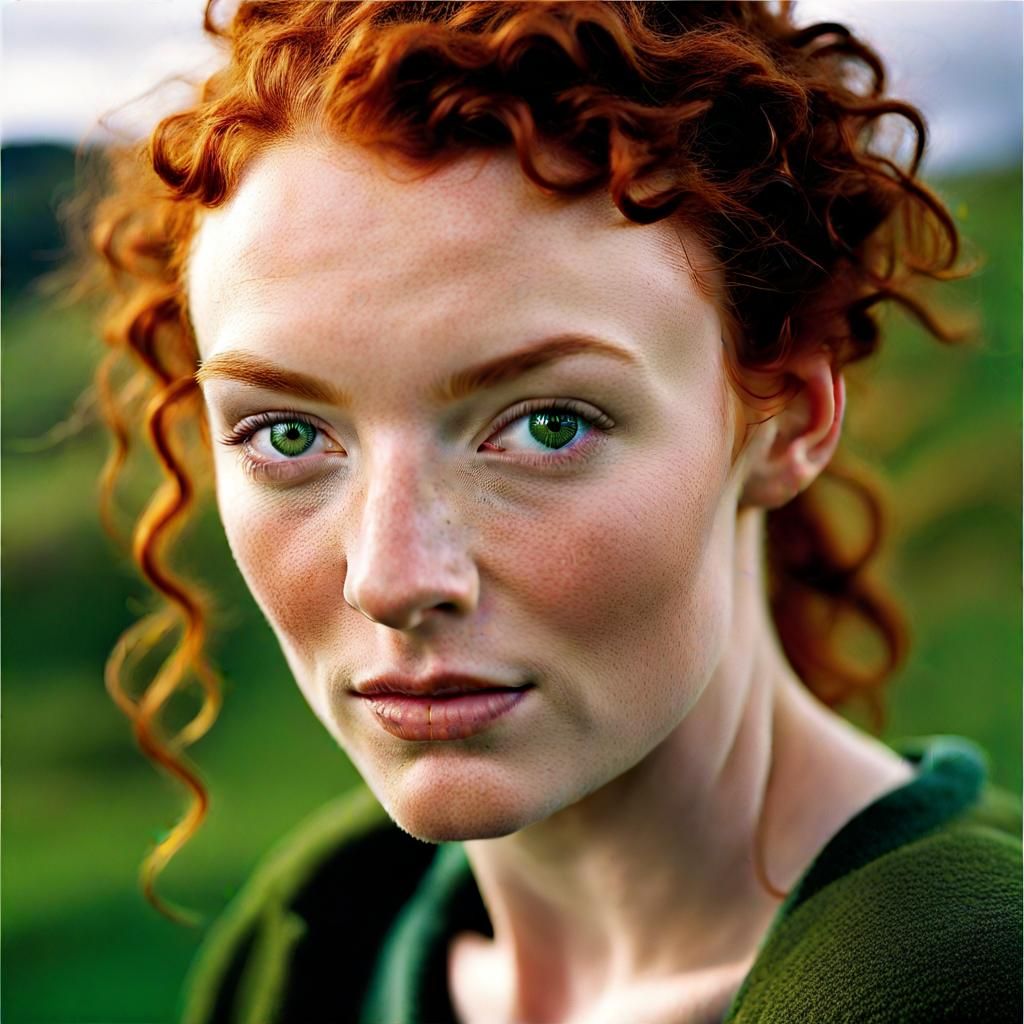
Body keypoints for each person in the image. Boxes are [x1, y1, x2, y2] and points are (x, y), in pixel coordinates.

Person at [83, 2, 1021, 1022]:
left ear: (787, 416)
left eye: (543, 426)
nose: (392, 577)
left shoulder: (961, 981)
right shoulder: (315, 942)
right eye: (288, 435)